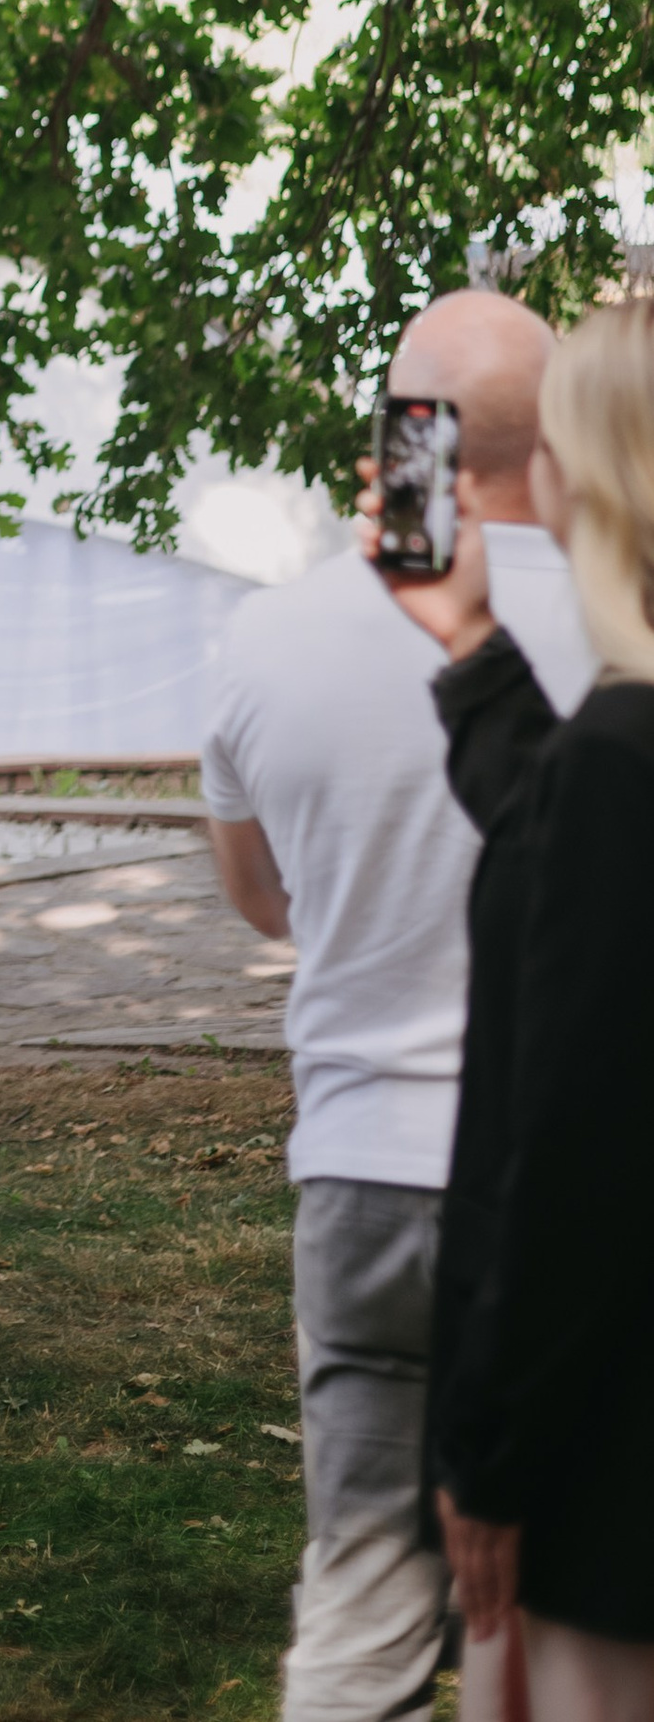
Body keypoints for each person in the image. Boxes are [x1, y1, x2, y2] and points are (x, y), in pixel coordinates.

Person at [202, 287, 596, 1722]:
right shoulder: (629, 624)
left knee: (362, 1593)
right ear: (558, 433)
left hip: (364, 1163)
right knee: (562, 1605)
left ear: (403, 429)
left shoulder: (268, 636)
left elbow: (263, 901)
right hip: (568, 1180)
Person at [378, 302, 654, 1722]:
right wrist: (471, 638)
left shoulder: (623, 756)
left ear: (587, 474)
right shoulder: (616, 747)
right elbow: (571, 846)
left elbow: (580, 1165)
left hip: (607, 1473)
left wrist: (490, 1453)